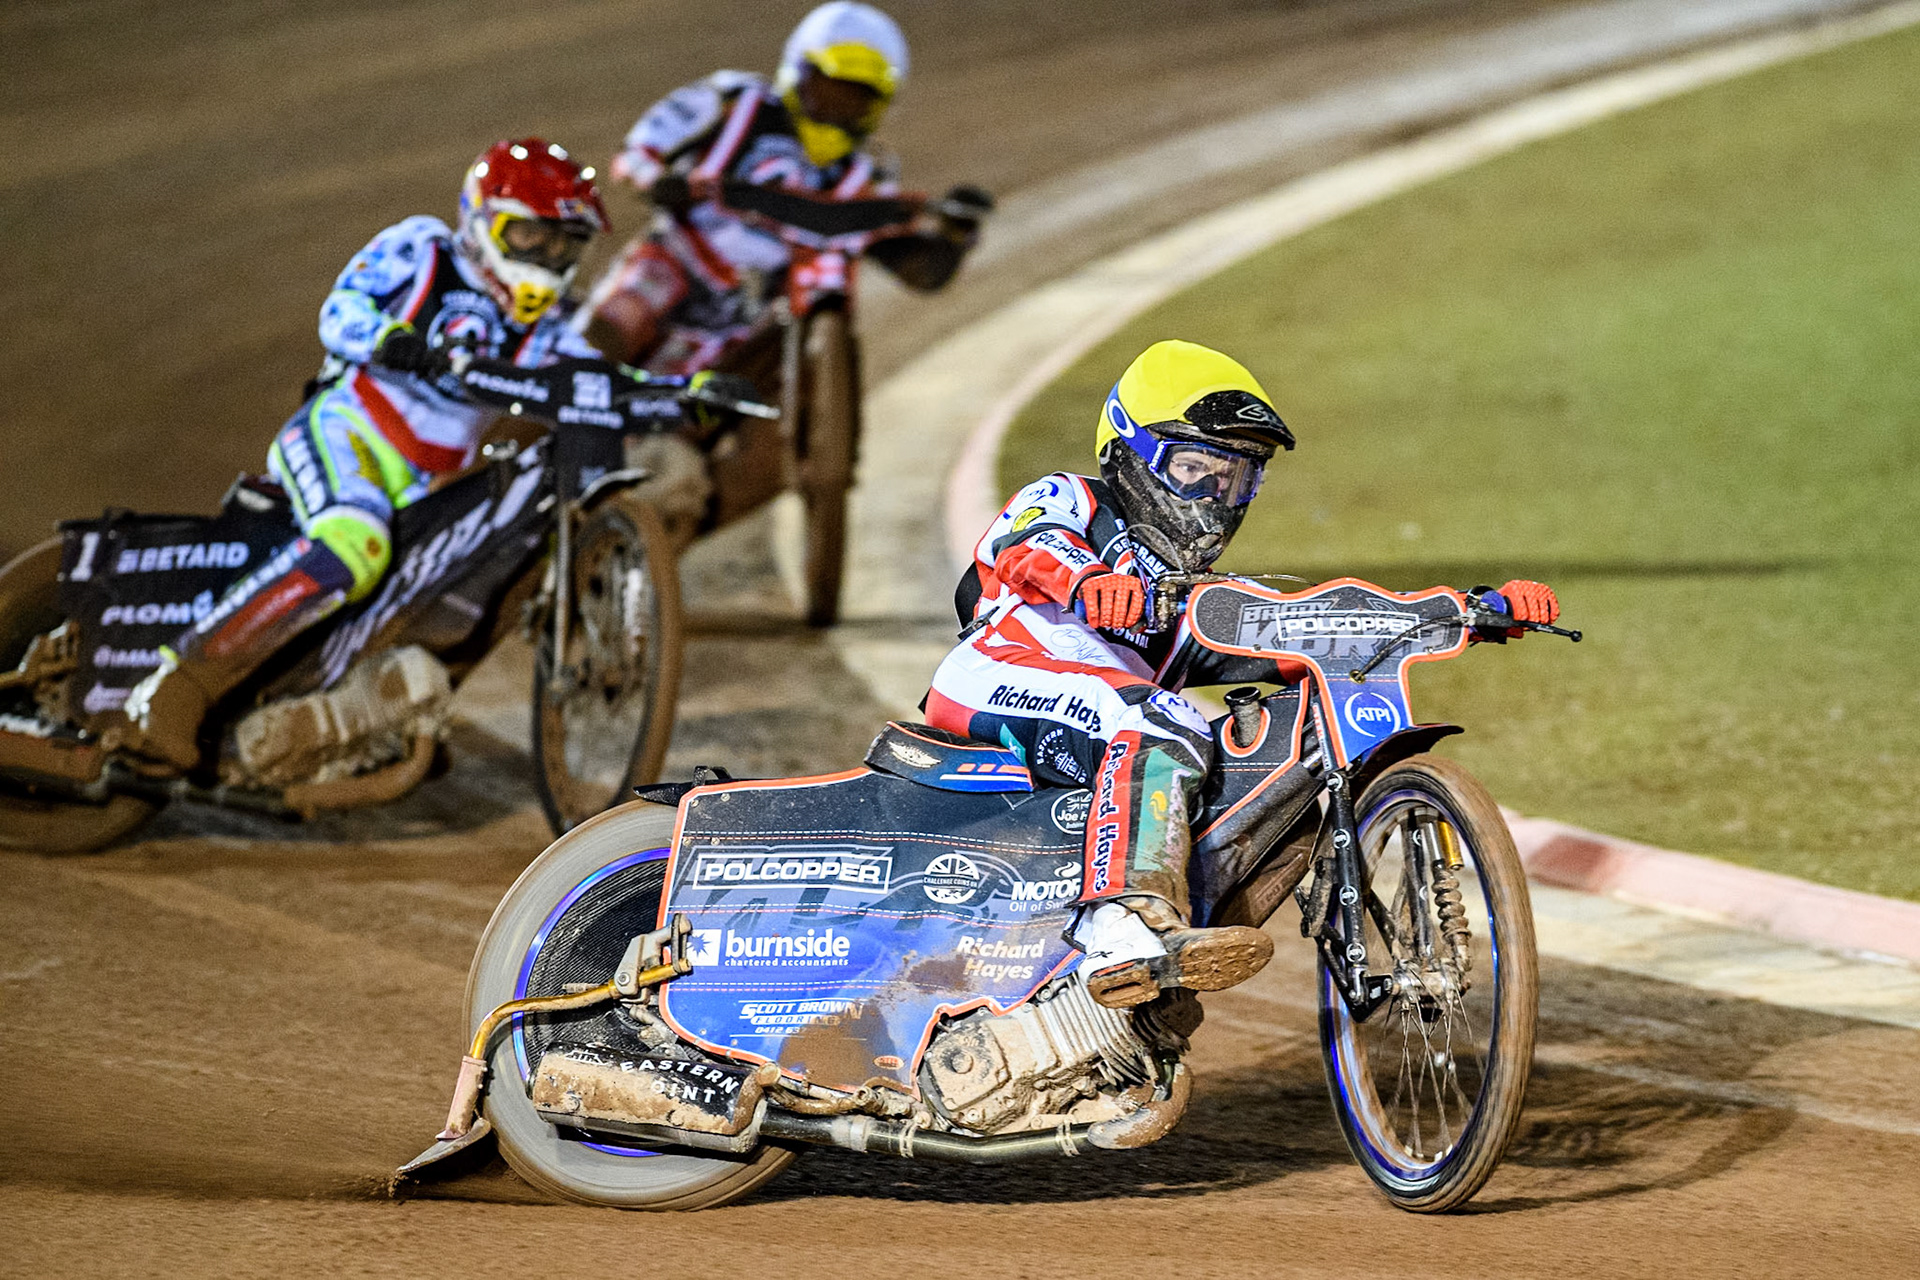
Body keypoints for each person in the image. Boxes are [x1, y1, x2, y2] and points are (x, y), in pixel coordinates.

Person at [925, 339, 1561, 1008]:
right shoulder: (1071, 498)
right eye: (1194, 468)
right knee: (1159, 716)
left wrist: (1471, 610)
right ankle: (1120, 925)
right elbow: (1029, 543)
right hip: (996, 671)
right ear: (1130, 454)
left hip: (1110, 702)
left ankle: (1157, 964)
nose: (1214, 496)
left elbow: (1314, 625)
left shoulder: (1186, 599)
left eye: (1234, 479)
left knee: (1273, 737)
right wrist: (1088, 581)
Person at [120, 139, 612, 769]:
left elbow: (600, 378)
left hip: (420, 485)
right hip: (344, 433)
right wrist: (391, 340)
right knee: (355, 541)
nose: (545, 259)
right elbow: (341, 310)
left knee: (430, 584)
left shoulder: (546, 330)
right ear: (482, 219)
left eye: (562, 245)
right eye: (531, 237)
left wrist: (693, 391)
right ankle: (170, 691)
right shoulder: (422, 248)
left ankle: (338, 712)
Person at [582, 1, 989, 371]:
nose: (837, 109)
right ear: (799, 70)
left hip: (754, 324)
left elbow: (917, 271)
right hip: (677, 261)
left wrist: (954, 239)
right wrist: (657, 179)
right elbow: (639, 151)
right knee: (612, 329)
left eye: (856, 99)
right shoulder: (735, 100)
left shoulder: (866, 179)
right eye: (830, 89)